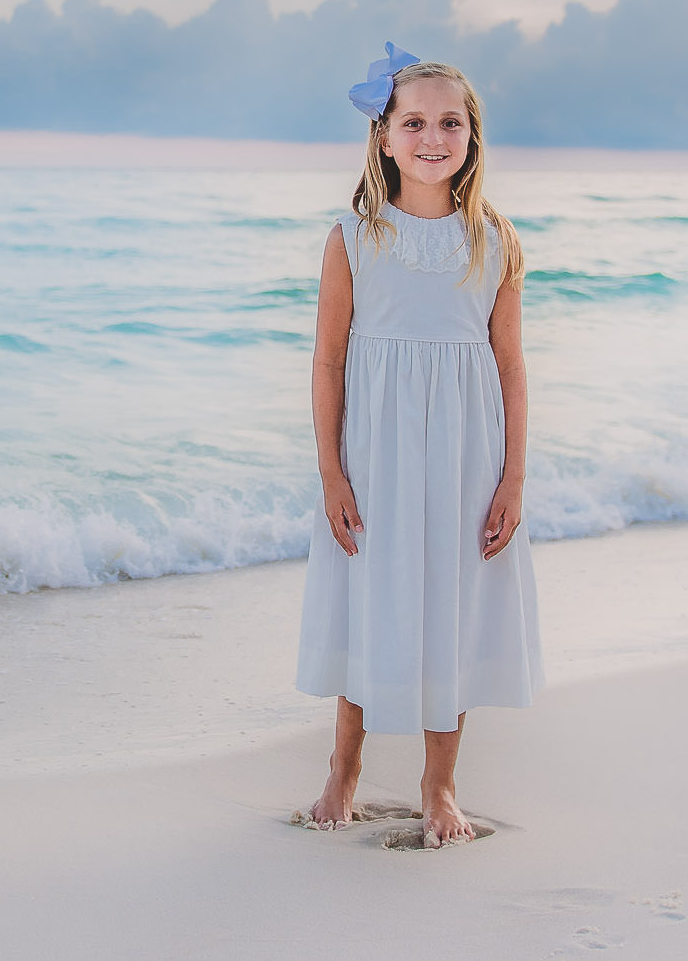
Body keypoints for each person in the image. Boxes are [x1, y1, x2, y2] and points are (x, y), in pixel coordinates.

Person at [291, 42, 544, 847]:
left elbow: (510, 366)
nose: (433, 137)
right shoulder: (353, 237)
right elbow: (329, 361)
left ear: (472, 136)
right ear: (384, 138)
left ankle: (441, 787)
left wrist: (512, 479)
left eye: (450, 123)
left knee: (451, 609)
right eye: (414, 122)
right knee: (372, 602)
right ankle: (345, 771)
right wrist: (332, 472)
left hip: (468, 461)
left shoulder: (494, 240)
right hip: (376, 457)